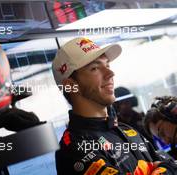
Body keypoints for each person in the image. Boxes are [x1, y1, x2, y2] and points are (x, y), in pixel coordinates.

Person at [52, 37, 177, 174]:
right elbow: (169, 167)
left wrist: (167, 167)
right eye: (94, 68)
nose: (110, 74)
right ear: (70, 86)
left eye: (107, 65)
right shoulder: (73, 149)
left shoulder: (125, 129)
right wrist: (165, 169)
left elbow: (170, 162)